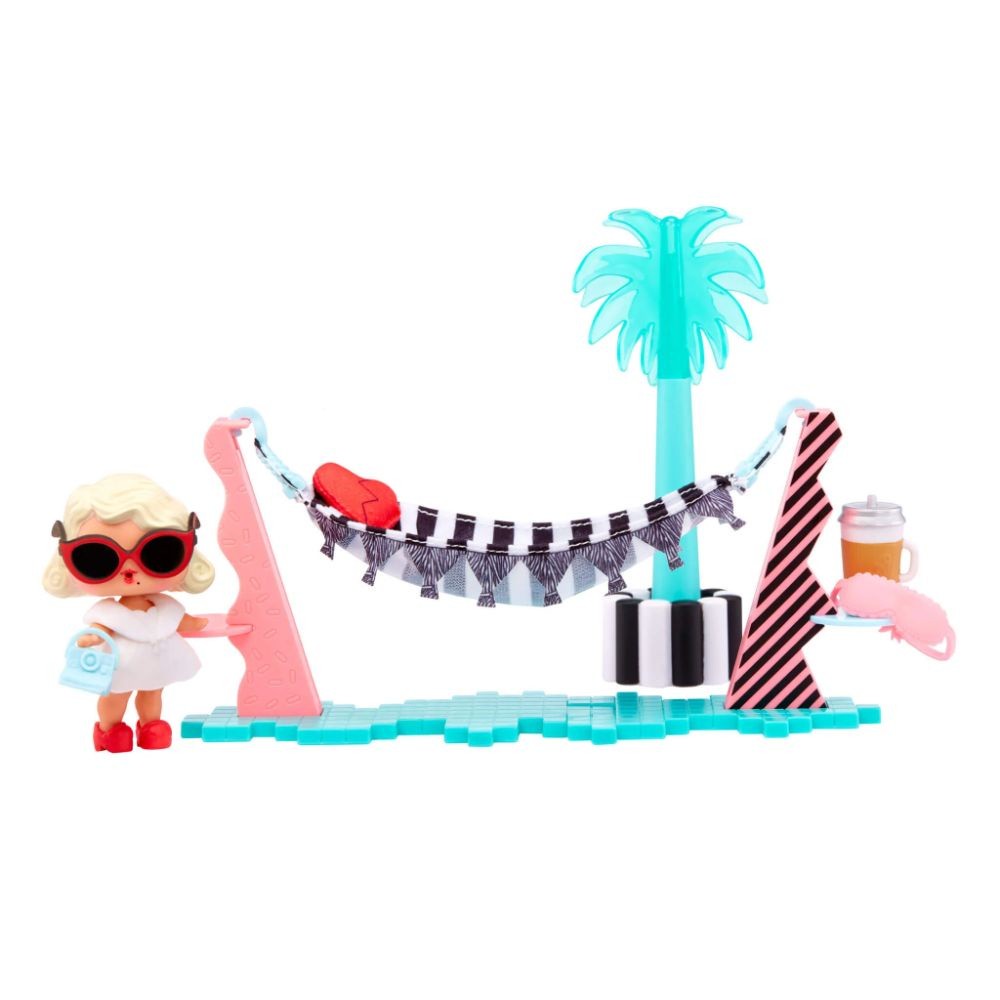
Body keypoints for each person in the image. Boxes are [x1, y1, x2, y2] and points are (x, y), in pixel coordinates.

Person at [43, 474, 214, 752]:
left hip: (156, 664)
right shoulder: (111, 612)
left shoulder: (164, 607)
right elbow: (102, 628)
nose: (130, 570)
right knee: (116, 696)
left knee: (153, 692)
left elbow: (179, 621)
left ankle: (151, 726)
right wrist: (93, 637)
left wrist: (197, 623)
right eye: (97, 557)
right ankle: (109, 730)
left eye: (160, 552)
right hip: (120, 666)